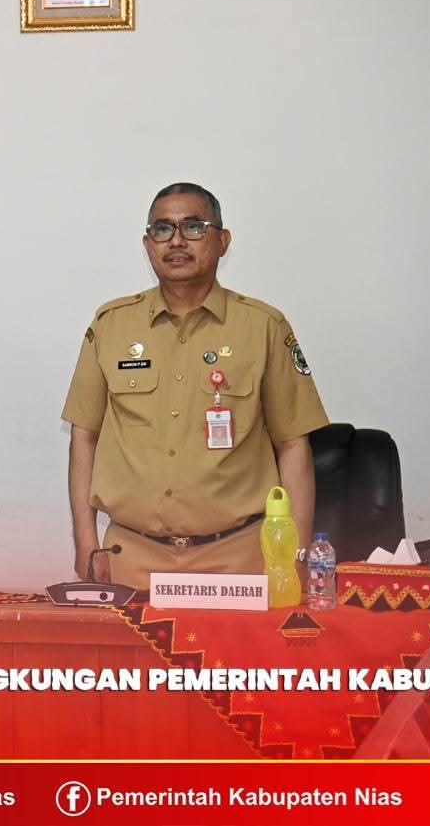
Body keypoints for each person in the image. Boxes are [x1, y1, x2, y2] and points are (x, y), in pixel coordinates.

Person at [61, 183, 328, 590]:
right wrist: (85, 540)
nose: (177, 241)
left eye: (194, 227)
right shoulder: (111, 325)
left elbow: (293, 444)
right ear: (148, 245)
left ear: (223, 241)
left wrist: (295, 557)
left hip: (240, 559)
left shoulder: (263, 327)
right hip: (129, 559)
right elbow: (85, 436)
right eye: (162, 229)